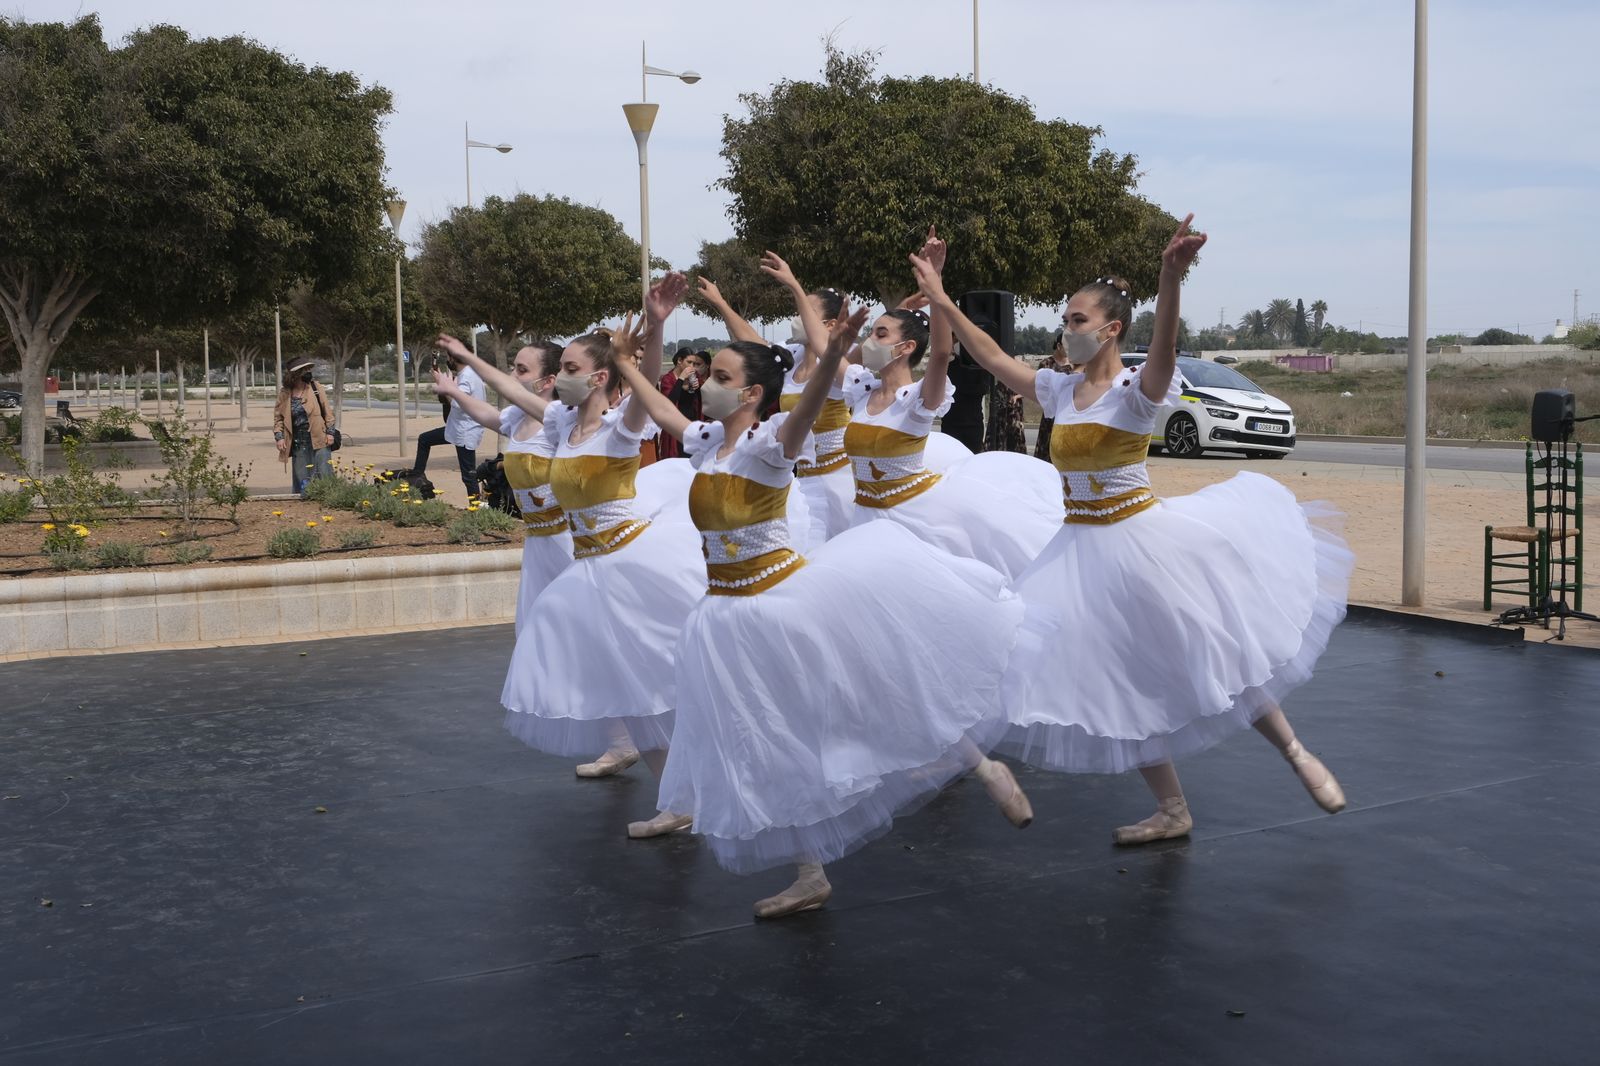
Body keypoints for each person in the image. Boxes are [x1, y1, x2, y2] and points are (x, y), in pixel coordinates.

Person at [910, 215, 1353, 844]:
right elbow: (989, 354)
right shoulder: (1061, 391)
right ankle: (1171, 808)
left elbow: (1166, 347)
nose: (1067, 331)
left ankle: (1296, 753)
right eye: (1065, 320)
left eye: (1077, 321)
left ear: (1112, 328)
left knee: (1211, 651)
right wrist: (940, 296)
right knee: (1119, 678)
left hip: (1145, 544)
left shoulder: (1133, 392)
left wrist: (1170, 277)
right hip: (1077, 551)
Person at [614, 301, 1034, 920]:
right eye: (710, 377)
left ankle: (979, 762)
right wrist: (629, 362)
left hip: (783, 603)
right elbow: (665, 411)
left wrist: (835, 352)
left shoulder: (767, 447)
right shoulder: (708, 446)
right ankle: (810, 874)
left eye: (722, 379)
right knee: (768, 734)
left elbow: (804, 413)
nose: (707, 386)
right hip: (726, 615)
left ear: (754, 393)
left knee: (865, 691)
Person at [500, 274, 708, 830]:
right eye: (558, 368)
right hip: (591, 573)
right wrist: (469, 374)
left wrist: (657, 326)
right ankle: (677, 803)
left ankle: (701, 784)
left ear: (597, 377)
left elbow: (648, 393)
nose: (558, 378)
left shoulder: (619, 429)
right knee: (630, 691)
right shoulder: (562, 426)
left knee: (665, 684)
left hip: (635, 565)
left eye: (568, 369)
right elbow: (520, 397)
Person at [841, 228, 1063, 582]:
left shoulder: (915, 400)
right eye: (871, 333)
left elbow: (942, 352)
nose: (871, 341)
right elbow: (828, 359)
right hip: (862, 519)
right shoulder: (861, 389)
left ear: (906, 348)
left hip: (907, 524)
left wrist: (936, 287)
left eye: (880, 335)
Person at [429, 339, 569, 634]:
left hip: (567, 539)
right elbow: (485, 414)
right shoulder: (518, 418)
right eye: (513, 368)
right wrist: (453, 390)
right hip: (537, 540)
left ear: (548, 381)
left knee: (571, 620)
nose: (513, 375)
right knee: (536, 625)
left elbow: (505, 388)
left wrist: (467, 356)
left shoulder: (559, 418)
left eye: (522, 369)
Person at [413, 346, 486, 500]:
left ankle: (477, 509)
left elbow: (458, 404)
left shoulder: (467, 377)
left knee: (468, 475)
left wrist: (444, 387)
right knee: (424, 439)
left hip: (465, 431)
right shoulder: (468, 374)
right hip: (457, 428)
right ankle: (416, 476)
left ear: (454, 358)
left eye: (448, 357)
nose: (447, 360)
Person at [272, 359, 335, 496]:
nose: (307, 373)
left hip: (319, 437)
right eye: (303, 370)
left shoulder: (315, 387)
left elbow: (328, 412)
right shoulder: (285, 393)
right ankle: (305, 499)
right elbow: (278, 418)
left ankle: (330, 498)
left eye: (308, 369)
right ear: (294, 375)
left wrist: (330, 433)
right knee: (302, 474)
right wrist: (279, 437)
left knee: (324, 470)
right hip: (297, 440)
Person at [1032, 329, 1072, 462]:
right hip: (1050, 414)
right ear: (1059, 346)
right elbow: (1039, 389)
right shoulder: (1046, 364)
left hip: (1066, 413)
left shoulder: (1073, 365)